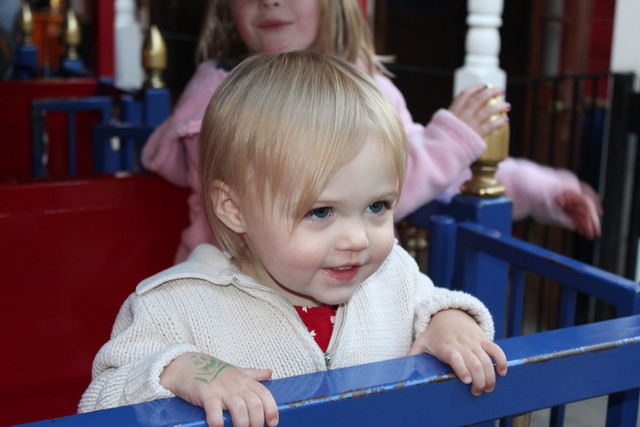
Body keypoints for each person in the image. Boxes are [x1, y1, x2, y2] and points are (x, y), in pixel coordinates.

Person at [79, 51, 508, 427]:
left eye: (377, 206)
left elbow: (430, 303)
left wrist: (449, 323)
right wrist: (178, 369)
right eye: (320, 212)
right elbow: (98, 402)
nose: (358, 239)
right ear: (235, 209)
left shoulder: (390, 274)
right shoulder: (174, 305)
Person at [142, 0, 601, 264]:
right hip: (233, 294)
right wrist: (453, 141)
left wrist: (542, 191)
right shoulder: (225, 98)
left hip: (341, 284)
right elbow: (312, 196)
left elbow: (432, 174)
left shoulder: (366, 90)